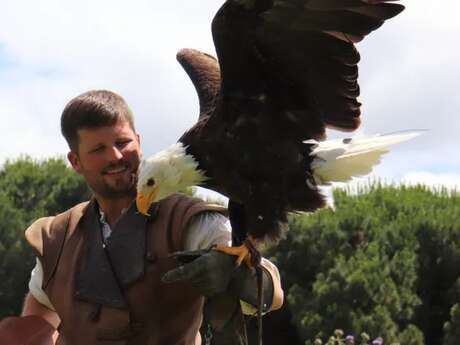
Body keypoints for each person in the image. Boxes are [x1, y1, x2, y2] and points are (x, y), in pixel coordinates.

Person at [0, 90, 283, 345]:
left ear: (138, 141)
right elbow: (37, 317)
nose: (115, 156)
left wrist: (236, 276)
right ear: (75, 161)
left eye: (123, 142)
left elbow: (271, 294)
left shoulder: (187, 219)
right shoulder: (58, 236)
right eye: (98, 149)